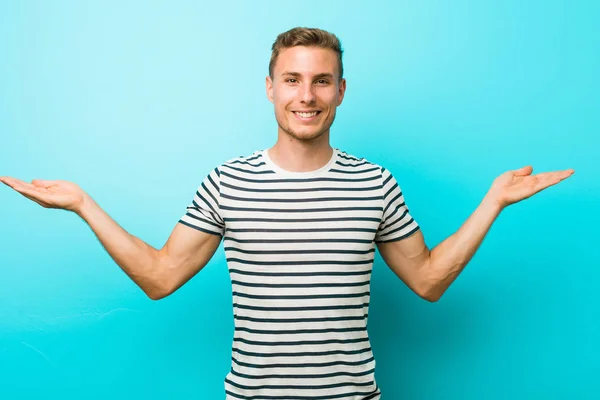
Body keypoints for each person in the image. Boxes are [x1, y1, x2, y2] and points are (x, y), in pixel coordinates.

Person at [0, 27, 574, 399]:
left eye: (322, 80)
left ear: (341, 91)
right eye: (293, 80)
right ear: (270, 89)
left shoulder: (374, 183)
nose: (307, 95)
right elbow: (159, 277)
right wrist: (82, 205)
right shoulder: (228, 182)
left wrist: (492, 202)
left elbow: (427, 280)